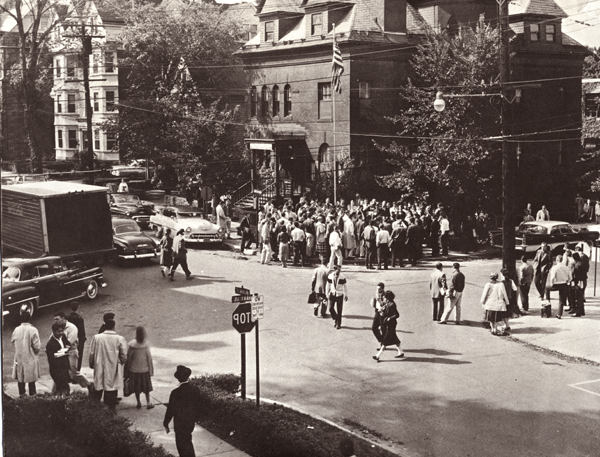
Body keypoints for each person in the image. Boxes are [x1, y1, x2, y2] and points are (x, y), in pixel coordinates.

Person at [164, 365, 203, 457]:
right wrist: (195, 417)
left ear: (178, 379)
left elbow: (170, 410)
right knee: (187, 440)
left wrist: (166, 423)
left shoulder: (175, 392)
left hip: (179, 422)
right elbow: (200, 405)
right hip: (190, 421)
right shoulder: (195, 390)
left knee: (181, 445)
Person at [88, 319, 127, 409]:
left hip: (99, 366)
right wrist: (120, 362)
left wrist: (91, 364)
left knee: (98, 387)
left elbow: (92, 353)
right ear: (114, 326)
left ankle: (96, 411)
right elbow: (123, 356)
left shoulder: (97, 338)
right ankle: (110, 411)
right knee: (111, 390)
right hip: (113, 368)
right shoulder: (119, 339)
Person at [53, 312, 92, 389]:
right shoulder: (57, 327)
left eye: (57, 319)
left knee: (74, 373)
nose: (55, 321)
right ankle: (55, 391)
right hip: (62, 352)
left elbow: (70, 342)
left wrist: (57, 347)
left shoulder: (72, 328)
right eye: (54, 320)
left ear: (63, 318)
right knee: (60, 372)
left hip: (71, 352)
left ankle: (89, 385)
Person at [11, 311, 40, 396]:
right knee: (31, 380)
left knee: (20, 378)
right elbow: (37, 346)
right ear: (30, 318)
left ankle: (22, 396)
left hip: (19, 357)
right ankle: (32, 397)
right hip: (30, 356)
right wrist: (34, 352)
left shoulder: (16, 329)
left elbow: (13, 341)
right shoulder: (33, 329)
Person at [125, 326, 154, 409]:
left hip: (133, 370)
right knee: (146, 388)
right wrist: (151, 370)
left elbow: (128, 358)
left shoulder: (132, 345)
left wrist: (127, 370)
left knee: (136, 388)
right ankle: (148, 402)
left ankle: (138, 402)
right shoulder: (146, 345)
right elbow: (149, 358)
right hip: (144, 369)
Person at [373, 291, 404, 361]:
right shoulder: (388, 303)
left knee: (385, 340)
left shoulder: (392, 305)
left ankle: (378, 355)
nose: (384, 297)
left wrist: (390, 318)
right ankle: (401, 352)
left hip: (392, 324)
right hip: (389, 324)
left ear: (388, 298)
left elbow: (397, 314)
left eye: (385, 297)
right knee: (395, 338)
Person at [46, 322, 71, 395]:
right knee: (64, 388)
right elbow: (51, 360)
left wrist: (66, 348)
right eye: (58, 331)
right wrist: (61, 353)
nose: (61, 333)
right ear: (53, 332)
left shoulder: (63, 337)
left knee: (62, 388)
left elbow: (68, 344)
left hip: (65, 367)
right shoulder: (50, 344)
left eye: (62, 331)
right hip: (57, 370)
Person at [548, 254, 571, 319]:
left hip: (556, 284)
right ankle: (559, 314)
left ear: (557, 260)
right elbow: (570, 277)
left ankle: (547, 300)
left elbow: (552, 278)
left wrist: (551, 283)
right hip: (564, 284)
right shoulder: (566, 267)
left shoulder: (554, 268)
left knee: (546, 288)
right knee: (561, 300)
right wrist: (567, 281)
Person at [326, 265, 348, 329]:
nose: (338, 271)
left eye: (339, 270)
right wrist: (327, 293)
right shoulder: (330, 276)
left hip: (339, 294)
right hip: (332, 294)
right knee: (330, 308)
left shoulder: (342, 277)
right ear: (334, 270)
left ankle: (338, 323)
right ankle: (336, 318)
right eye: (337, 270)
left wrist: (346, 295)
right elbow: (328, 285)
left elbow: (345, 287)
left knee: (339, 310)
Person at [66, 301, 87, 371]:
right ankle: (77, 370)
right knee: (78, 356)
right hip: (78, 340)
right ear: (78, 308)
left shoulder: (67, 317)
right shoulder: (79, 318)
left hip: (68, 339)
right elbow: (81, 331)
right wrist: (83, 340)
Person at [371, 282, 386, 348]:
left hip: (382, 313)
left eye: (379, 289)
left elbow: (384, 305)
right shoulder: (377, 294)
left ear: (383, 289)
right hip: (377, 312)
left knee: (383, 329)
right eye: (377, 288)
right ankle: (381, 340)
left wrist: (379, 299)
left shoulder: (385, 296)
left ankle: (383, 344)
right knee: (374, 327)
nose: (378, 290)